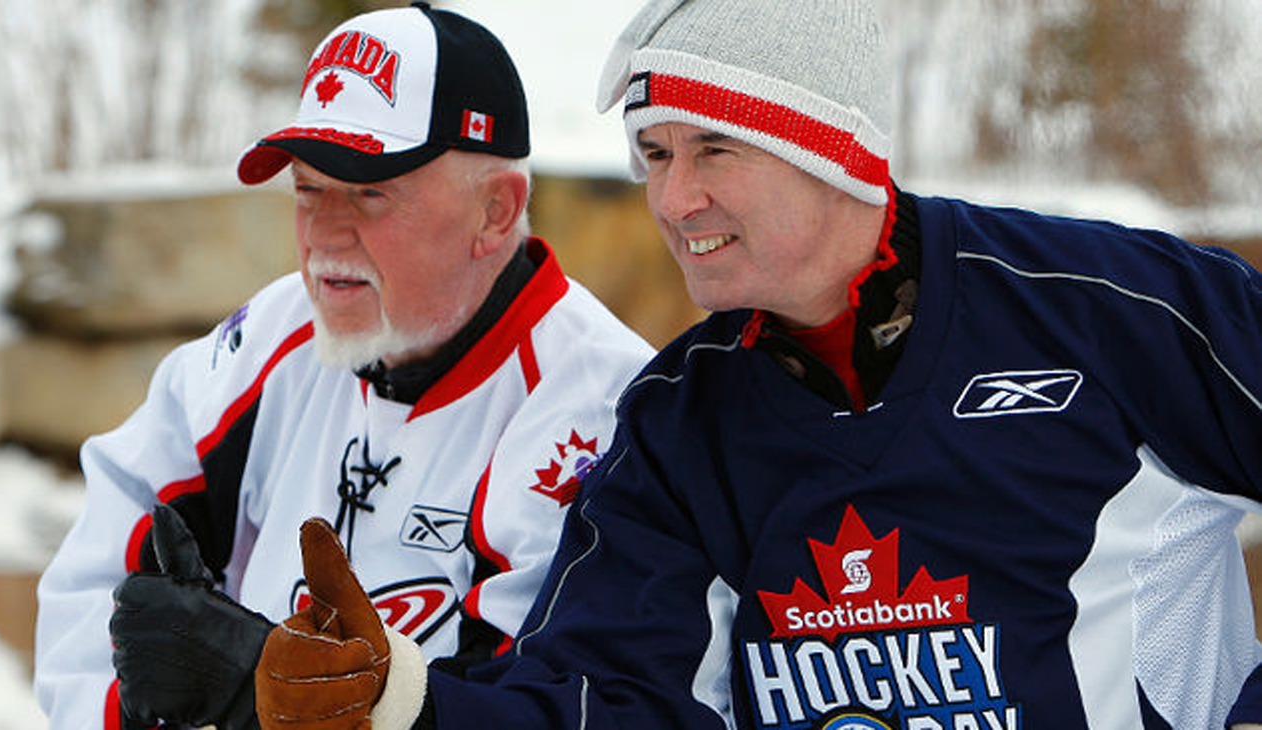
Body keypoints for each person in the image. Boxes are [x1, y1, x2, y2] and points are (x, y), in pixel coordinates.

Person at [248, 0, 1262, 729]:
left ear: (831, 151)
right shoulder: (679, 416)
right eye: (652, 155)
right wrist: (398, 701)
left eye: (712, 151)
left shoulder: (1099, 308)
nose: (671, 199)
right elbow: (604, 698)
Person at [32, 4, 654, 729]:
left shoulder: (606, 408)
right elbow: (96, 577)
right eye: (308, 190)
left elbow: (539, 708)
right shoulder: (275, 334)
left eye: (370, 192)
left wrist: (264, 693)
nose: (324, 237)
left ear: (494, 211)